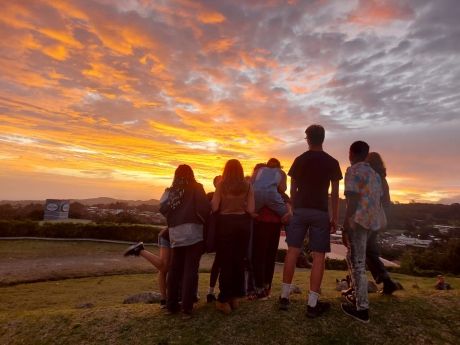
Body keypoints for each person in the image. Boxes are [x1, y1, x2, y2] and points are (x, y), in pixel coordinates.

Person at [279, 124, 342, 318]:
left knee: (292, 251)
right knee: (318, 256)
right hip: (320, 212)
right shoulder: (332, 162)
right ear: (323, 138)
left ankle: (284, 297)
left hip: (300, 210)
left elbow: (292, 189)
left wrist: (295, 208)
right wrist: (335, 217)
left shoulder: (299, 160)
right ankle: (312, 304)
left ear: (308, 138)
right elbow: (334, 194)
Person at [159, 164, 210, 318]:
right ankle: (186, 309)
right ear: (191, 174)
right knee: (190, 270)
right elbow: (205, 209)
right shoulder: (197, 187)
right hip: (194, 232)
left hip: (175, 233)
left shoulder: (170, 191)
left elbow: (162, 208)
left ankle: (171, 306)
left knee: (174, 270)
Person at [341, 141, 383, 323]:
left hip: (357, 222)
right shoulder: (375, 174)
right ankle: (357, 296)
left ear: (351, 153)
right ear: (366, 154)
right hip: (371, 223)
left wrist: (346, 224)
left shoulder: (353, 171)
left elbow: (352, 199)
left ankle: (362, 309)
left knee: (357, 264)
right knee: (353, 258)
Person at [211, 159, 255, 314]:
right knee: (238, 261)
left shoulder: (221, 185)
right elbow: (251, 209)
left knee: (225, 262)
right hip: (243, 225)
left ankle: (223, 299)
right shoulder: (248, 186)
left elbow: (215, 206)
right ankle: (235, 297)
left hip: (225, 225)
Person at [123, 230, 171, 308]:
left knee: (163, 268)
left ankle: (164, 300)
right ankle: (140, 250)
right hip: (169, 235)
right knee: (164, 267)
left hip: (172, 234)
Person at [253, 158, 290, 222]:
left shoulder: (259, 170)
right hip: (272, 195)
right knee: (287, 214)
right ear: (279, 166)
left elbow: (251, 183)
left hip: (256, 194)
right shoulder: (280, 172)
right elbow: (283, 189)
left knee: (251, 213)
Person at [206, 175, 222, 303]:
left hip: (222, 234)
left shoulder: (228, 197)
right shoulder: (209, 196)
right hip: (211, 234)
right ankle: (210, 291)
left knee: (219, 264)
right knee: (218, 264)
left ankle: (212, 292)